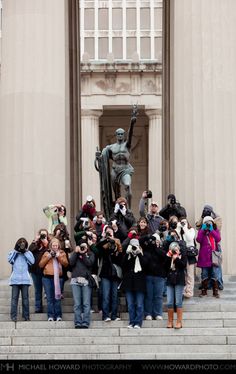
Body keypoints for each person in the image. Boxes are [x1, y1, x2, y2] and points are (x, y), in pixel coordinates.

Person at [95, 105, 138, 218]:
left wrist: (132, 122)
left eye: (121, 134)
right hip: (115, 170)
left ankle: (128, 209)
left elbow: (130, 133)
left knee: (128, 185)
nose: (120, 135)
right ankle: (117, 208)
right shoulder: (110, 147)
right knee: (116, 193)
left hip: (125, 169)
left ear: (123, 135)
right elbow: (102, 160)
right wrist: (98, 156)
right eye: (118, 134)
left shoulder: (127, 145)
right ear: (116, 135)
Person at [39, 238, 68, 321]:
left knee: (57, 298)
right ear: (50, 246)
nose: (55, 247)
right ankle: (50, 316)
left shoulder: (62, 253)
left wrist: (58, 256)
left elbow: (65, 264)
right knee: (49, 298)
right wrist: (48, 257)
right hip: (47, 278)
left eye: (56, 245)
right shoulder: (46, 253)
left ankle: (58, 315)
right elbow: (41, 265)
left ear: (58, 245)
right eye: (53, 245)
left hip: (58, 278)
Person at [120, 238, 146, 328]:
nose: (134, 248)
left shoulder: (142, 254)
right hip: (129, 283)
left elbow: (146, 266)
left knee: (139, 304)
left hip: (140, 283)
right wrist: (127, 254)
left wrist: (140, 254)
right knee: (130, 305)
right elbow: (123, 266)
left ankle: (138, 322)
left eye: (136, 246)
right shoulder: (127, 256)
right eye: (133, 246)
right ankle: (131, 322)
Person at [8, 238, 35, 322]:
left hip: (25, 280)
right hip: (15, 280)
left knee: (25, 300)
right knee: (14, 299)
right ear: (18, 244)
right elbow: (9, 260)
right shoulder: (13, 252)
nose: (22, 244)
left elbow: (32, 261)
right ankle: (13, 316)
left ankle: (26, 316)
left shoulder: (28, 253)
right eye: (20, 243)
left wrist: (25, 252)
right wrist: (16, 250)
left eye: (24, 243)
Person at [69, 241, 95, 328]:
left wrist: (83, 254)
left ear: (87, 247)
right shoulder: (75, 254)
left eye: (85, 246)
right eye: (81, 246)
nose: (83, 248)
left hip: (86, 280)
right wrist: (76, 253)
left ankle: (85, 322)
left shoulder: (90, 254)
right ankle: (77, 322)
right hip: (75, 280)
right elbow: (71, 263)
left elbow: (89, 263)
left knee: (86, 303)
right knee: (77, 303)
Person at [196, 216, 221, 298]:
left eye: (210, 222)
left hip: (213, 256)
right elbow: (198, 240)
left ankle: (215, 292)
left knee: (215, 273)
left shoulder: (215, 230)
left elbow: (218, 239)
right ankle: (204, 292)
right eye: (206, 223)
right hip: (204, 257)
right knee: (204, 274)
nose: (208, 224)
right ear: (203, 223)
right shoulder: (201, 231)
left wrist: (211, 230)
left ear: (213, 223)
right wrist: (202, 230)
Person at [165, 241, 187, 329]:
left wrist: (176, 258)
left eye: (176, 248)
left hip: (179, 280)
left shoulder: (183, 255)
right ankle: (170, 321)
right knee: (170, 301)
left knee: (178, 302)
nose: (174, 249)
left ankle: (179, 322)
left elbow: (183, 265)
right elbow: (165, 266)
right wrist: (168, 256)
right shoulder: (169, 255)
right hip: (170, 280)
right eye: (172, 248)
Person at [29, 229, 50, 313]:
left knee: (48, 290)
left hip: (46, 271)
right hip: (35, 271)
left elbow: (52, 251)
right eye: (41, 234)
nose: (43, 236)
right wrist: (35, 241)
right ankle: (38, 307)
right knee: (38, 290)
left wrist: (47, 244)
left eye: (44, 235)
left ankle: (50, 308)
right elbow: (29, 251)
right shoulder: (35, 243)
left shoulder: (49, 243)